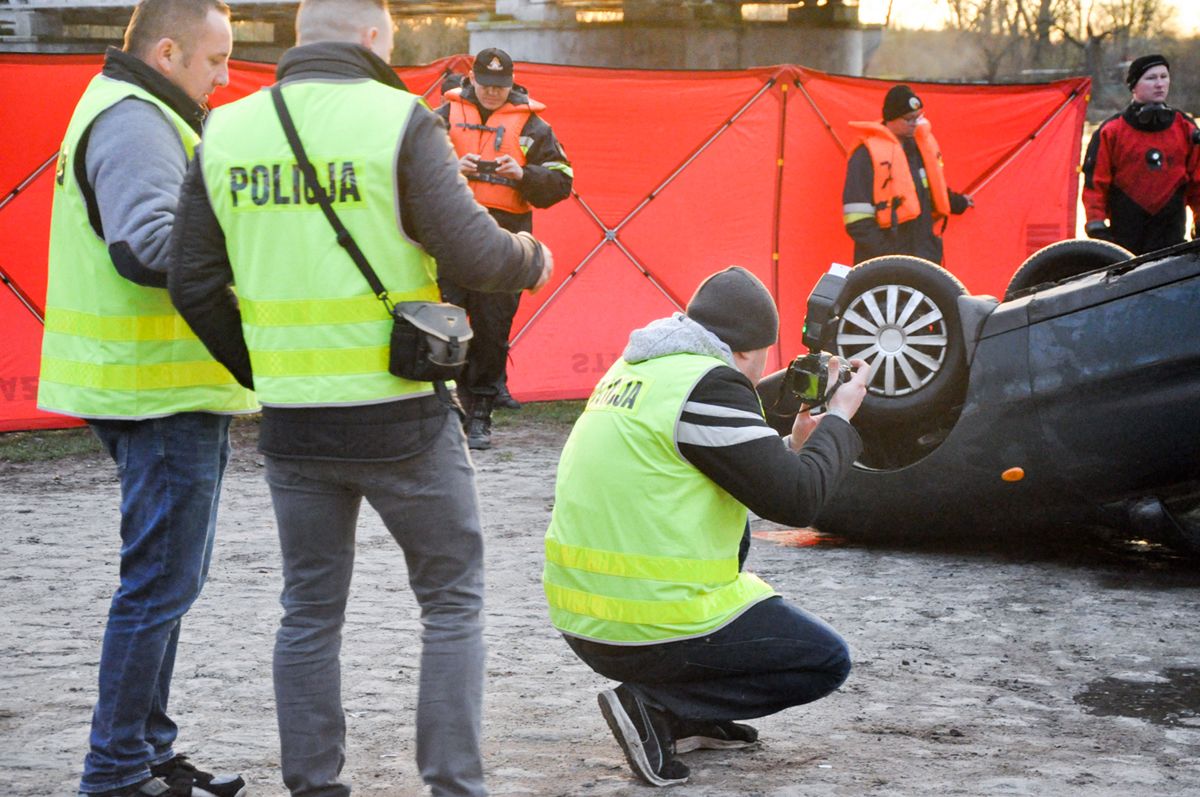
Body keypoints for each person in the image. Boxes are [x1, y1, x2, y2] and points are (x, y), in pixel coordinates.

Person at [167, 1, 553, 795]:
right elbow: (478, 254)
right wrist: (534, 255)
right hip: (400, 410)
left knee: (308, 610)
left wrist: (262, 365)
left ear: (299, 40)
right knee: (451, 598)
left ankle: (313, 785)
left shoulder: (226, 131)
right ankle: (454, 783)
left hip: (292, 423)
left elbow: (192, 281)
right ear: (377, 38)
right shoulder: (401, 120)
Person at [36, 2, 258, 795]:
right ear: (167, 51)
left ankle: (148, 754)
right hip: (154, 392)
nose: (226, 77)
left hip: (155, 386)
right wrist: (261, 263)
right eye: (216, 59)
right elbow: (146, 244)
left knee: (168, 580)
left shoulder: (141, 112)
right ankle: (117, 770)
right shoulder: (136, 121)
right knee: (159, 583)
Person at [542, 266, 870, 786]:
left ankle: (688, 717)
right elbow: (798, 500)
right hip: (645, 623)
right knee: (824, 659)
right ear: (745, 351)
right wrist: (840, 420)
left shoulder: (640, 371)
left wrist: (793, 448)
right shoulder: (707, 386)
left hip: (585, 615)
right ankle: (657, 707)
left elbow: (692, 472)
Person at [435, 47, 573, 449]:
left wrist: (524, 174)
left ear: (511, 83)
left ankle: (481, 414)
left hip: (506, 237)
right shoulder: (442, 118)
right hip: (451, 230)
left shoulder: (533, 126)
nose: (493, 93)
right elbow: (407, 170)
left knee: (494, 327)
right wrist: (450, 167)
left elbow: (561, 180)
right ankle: (451, 407)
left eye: (501, 86)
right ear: (472, 79)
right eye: (486, 84)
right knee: (446, 322)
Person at [842, 84, 974, 265]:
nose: (915, 124)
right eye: (909, 119)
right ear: (891, 118)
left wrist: (959, 202)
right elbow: (856, 219)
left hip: (924, 254)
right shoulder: (866, 155)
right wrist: (888, 254)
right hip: (883, 261)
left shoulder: (919, 150)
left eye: (918, 118)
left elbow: (930, 191)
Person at [1082, 54, 1200, 255]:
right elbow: (1095, 185)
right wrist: (1096, 225)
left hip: (1172, 239)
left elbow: (1198, 182)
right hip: (1124, 243)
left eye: (1164, 77)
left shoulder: (1185, 128)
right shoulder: (1111, 132)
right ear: (1134, 85)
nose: (1159, 84)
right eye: (1151, 78)